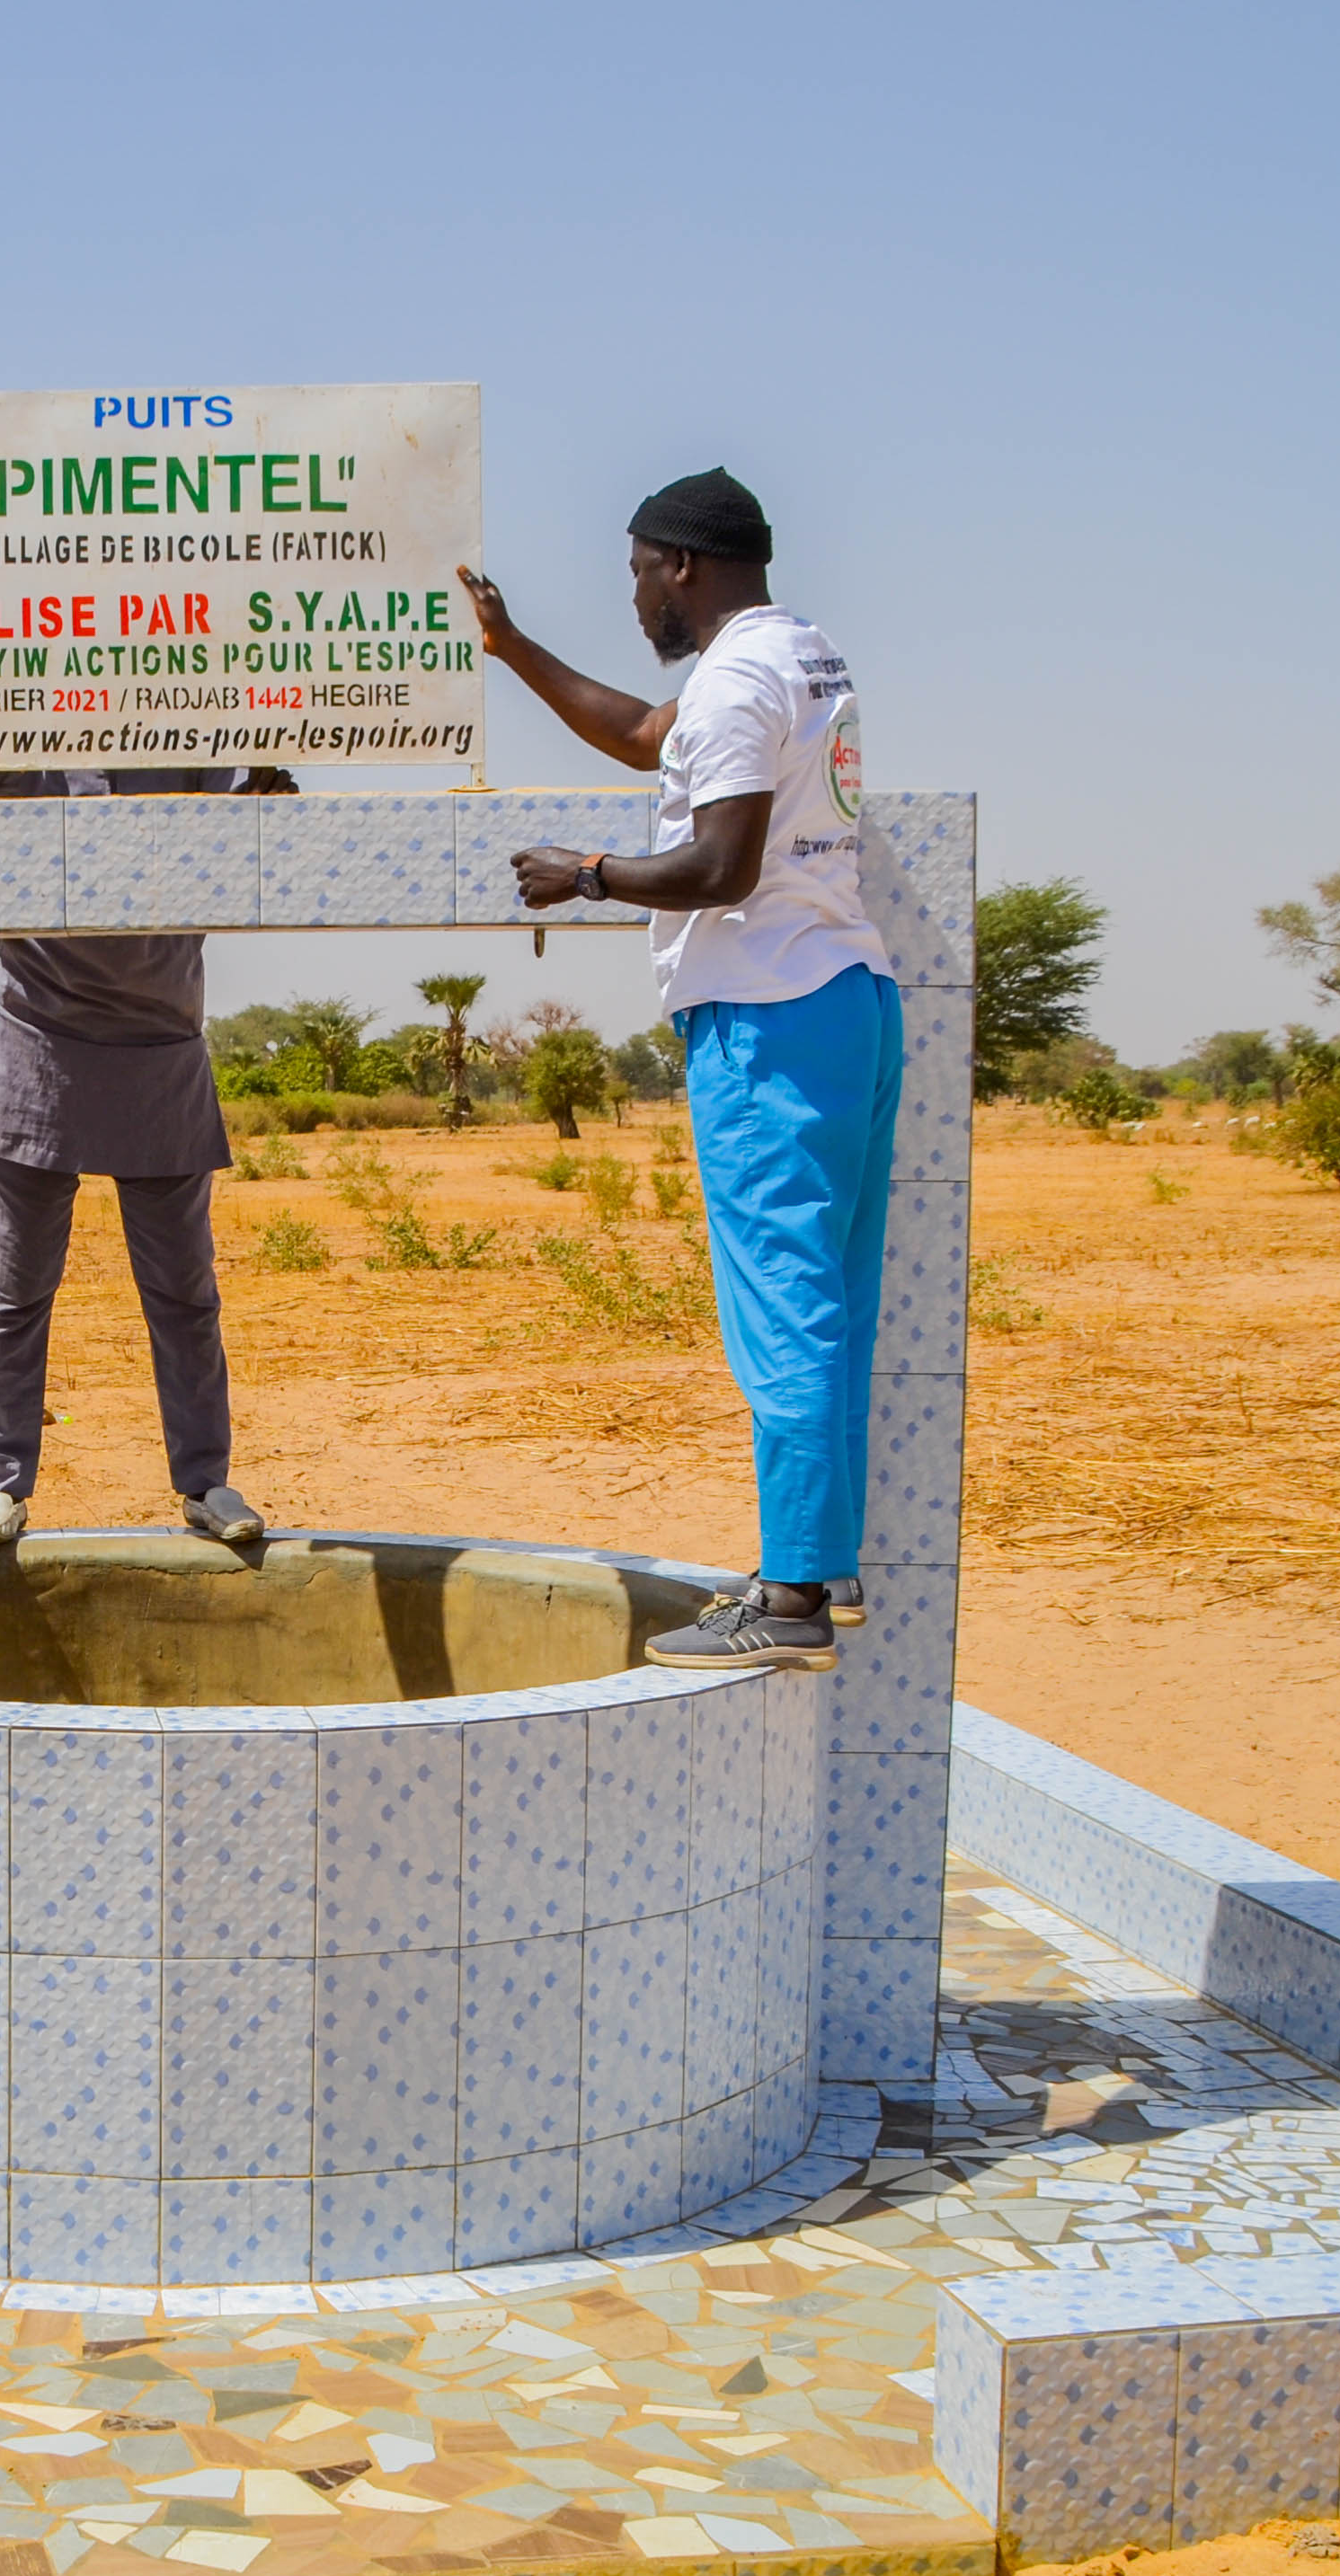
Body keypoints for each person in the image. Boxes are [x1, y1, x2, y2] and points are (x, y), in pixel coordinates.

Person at [462, 465, 892, 1673]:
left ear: (681, 565)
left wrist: (587, 874)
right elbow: (651, 736)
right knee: (831, 1302)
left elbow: (721, 866)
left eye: (639, 572)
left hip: (768, 1018)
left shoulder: (738, 683)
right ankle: (823, 1562)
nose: (636, 597)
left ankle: (790, 1597)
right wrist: (511, 648)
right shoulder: (797, 656)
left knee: (781, 1310)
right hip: (845, 1003)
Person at [0, 680, 280, 1549]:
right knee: (17, 1292)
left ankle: (205, 1482)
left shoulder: (187, 731)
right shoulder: (13, 725)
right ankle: (0, 1485)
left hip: (161, 1049)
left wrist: (273, 790)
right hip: (35, 1047)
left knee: (185, 1295)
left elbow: (255, 820)